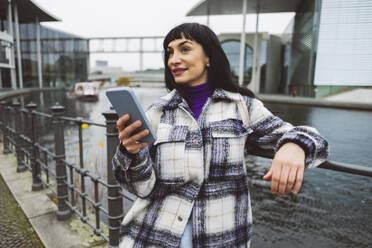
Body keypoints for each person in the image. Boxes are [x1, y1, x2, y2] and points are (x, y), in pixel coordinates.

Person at [112, 23, 329, 248]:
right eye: (170, 52)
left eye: (184, 49)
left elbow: (311, 137)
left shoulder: (243, 107)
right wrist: (130, 152)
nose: (173, 60)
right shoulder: (157, 113)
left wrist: (294, 145)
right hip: (153, 236)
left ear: (209, 57)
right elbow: (142, 188)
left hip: (221, 240)